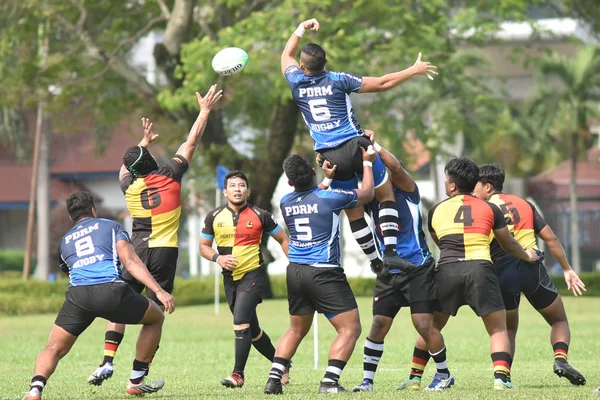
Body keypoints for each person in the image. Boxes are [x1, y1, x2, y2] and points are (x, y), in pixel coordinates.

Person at [87, 85, 222, 385]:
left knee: (121, 302)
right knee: (155, 315)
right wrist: (204, 111)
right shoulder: (170, 174)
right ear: (151, 161)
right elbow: (191, 142)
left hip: (135, 252)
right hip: (163, 252)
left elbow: (124, 167)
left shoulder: (128, 186)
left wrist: (142, 142)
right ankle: (137, 379)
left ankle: (107, 361)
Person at [280, 18, 437, 274]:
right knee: (385, 195)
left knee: (354, 209)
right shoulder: (338, 79)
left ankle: (375, 261)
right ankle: (390, 253)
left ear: (301, 65)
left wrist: (300, 27)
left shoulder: (295, 81)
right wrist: (413, 69)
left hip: (330, 155)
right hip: (357, 145)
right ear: (325, 64)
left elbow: (286, 53)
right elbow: (383, 83)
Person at [23, 192, 175, 400]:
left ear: (71, 217)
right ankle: (136, 381)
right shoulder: (110, 226)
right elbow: (130, 262)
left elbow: (68, 271)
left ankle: (35, 388)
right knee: (156, 317)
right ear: (93, 210)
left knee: (53, 347)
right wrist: (158, 290)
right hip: (110, 290)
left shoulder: (65, 240)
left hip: (78, 296)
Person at [333, 131, 450, 392]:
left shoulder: (408, 190)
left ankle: (443, 374)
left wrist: (374, 145)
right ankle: (367, 381)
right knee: (378, 325)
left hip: (418, 267)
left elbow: (396, 166)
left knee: (422, 324)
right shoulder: (371, 198)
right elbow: (352, 208)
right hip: (389, 269)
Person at [263, 148, 376, 395]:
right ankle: (329, 382)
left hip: (294, 271)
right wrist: (367, 163)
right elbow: (367, 193)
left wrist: (326, 180)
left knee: (296, 329)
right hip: (324, 272)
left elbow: (312, 199)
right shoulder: (331, 198)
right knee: (350, 328)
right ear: (312, 172)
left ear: (290, 181)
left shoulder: (286, 202)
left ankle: (274, 379)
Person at [425, 157, 540, 390]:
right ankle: (501, 379)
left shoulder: (436, 209)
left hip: (447, 269)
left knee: (432, 326)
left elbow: (439, 242)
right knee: (498, 328)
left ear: (451, 186)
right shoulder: (490, 208)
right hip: (481, 269)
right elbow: (508, 243)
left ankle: (424, 376)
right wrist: (527, 256)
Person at [473, 163, 586, 385]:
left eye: (476, 185)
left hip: (502, 271)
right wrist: (566, 268)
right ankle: (560, 358)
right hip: (532, 268)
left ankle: (503, 376)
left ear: (488, 186)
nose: (473, 190)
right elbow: (551, 239)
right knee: (558, 319)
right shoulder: (524, 204)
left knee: (507, 329)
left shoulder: (484, 208)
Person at [200, 170, 290, 388]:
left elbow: (283, 239)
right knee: (253, 331)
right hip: (230, 279)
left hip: (254, 274)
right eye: (233, 186)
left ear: (248, 191)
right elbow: (203, 247)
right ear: (225, 191)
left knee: (240, 322)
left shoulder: (261, 215)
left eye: (241, 185)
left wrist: (297, 267)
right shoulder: (213, 216)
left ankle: (237, 374)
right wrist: (218, 258)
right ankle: (283, 364)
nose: (237, 189)